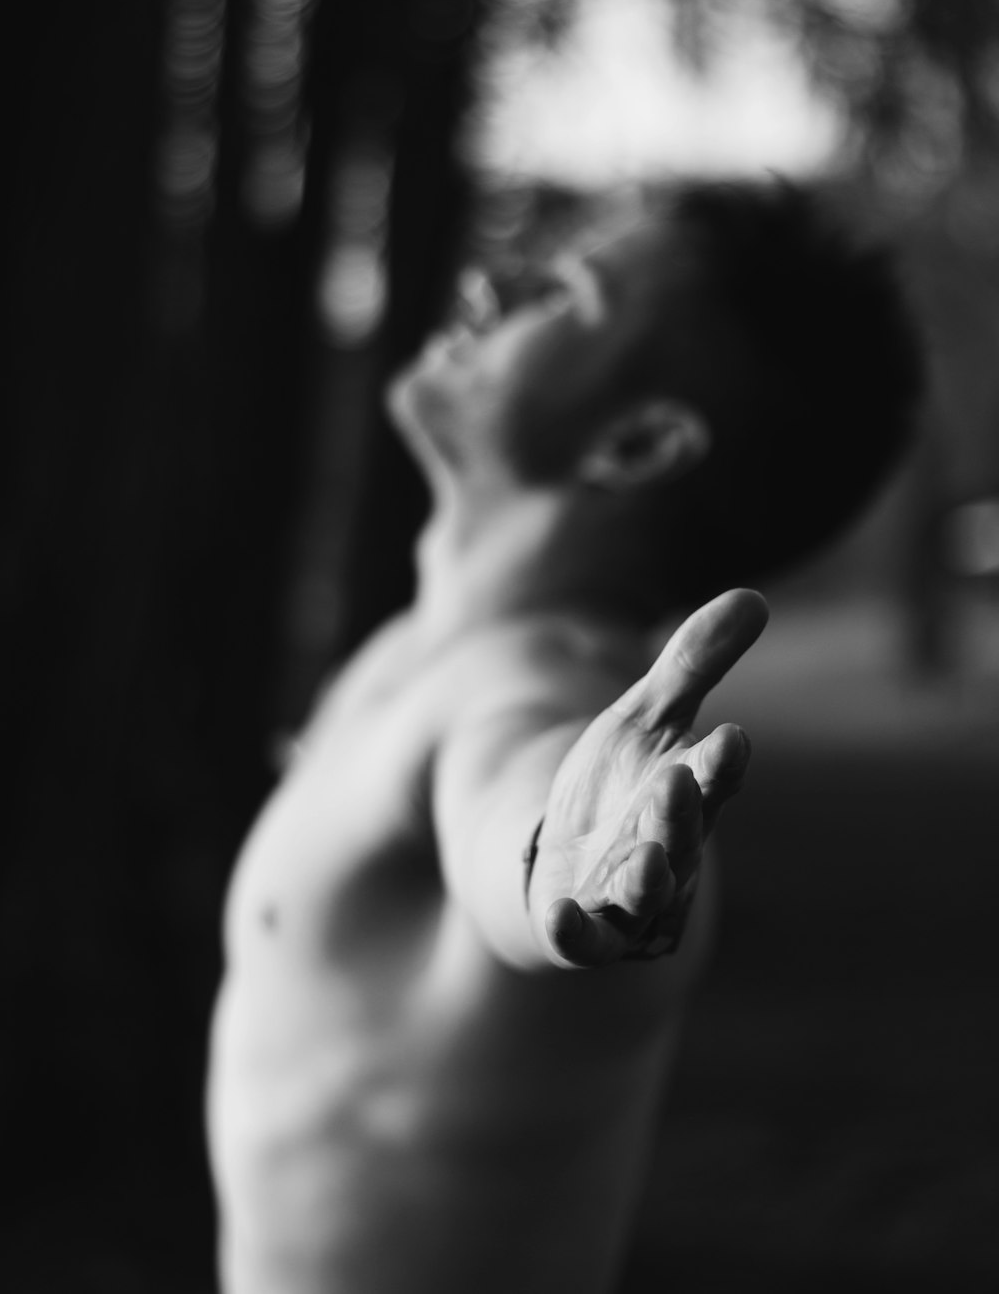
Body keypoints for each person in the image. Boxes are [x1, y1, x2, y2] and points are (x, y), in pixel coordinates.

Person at [206, 181, 921, 1294]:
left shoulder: (529, 696)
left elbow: (512, 798)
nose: (493, 282)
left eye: (560, 296)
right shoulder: (410, 655)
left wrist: (557, 857)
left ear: (634, 444)